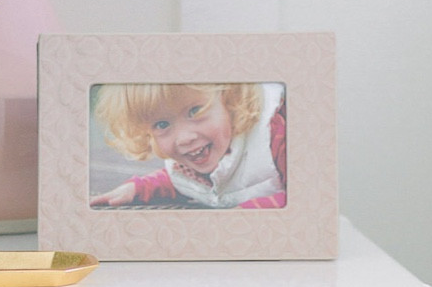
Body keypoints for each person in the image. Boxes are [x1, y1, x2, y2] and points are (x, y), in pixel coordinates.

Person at [89, 82, 287, 209]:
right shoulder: (189, 164)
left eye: (195, 111)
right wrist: (138, 188)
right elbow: (183, 181)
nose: (184, 138)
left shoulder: (275, 137)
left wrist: (246, 216)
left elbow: (302, 200)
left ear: (228, 99)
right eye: (162, 124)